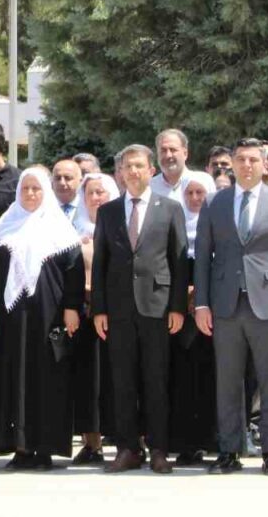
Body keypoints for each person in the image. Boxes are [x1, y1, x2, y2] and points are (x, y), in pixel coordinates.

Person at [193, 138, 268, 476]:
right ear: (232, 164)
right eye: (240, 160)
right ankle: (229, 451)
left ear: (266, 164)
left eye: (254, 159)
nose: (247, 165)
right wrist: (201, 305)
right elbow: (203, 258)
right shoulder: (215, 202)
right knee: (228, 381)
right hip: (225, 305)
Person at [0, 167, 85, 470]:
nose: (31, 194)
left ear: (46, 192)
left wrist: (72, 307)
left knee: (47, 378)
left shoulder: (60, 228)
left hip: (49, 317)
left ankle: (44, 448)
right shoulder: (5, 225)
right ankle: (19, 447)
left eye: (37, 189)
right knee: (13, 376)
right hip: (9, 319)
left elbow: (73, 270)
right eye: (26, 189)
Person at [91, 145, 188, 474]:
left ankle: (159, 448)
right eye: (127, 167)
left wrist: (177, 307)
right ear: (120, 173)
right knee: (122, 382)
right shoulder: (108, 212)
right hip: (118, 310)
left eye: (139, 166)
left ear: (151, 170)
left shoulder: (171, 209)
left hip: (157, 308)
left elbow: (178, 261)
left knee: (156, 380)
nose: (133, 172)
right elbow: (100, 263)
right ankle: (127, 448)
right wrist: (100, 309)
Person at [167, 171, 218, 466]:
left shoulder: (218, 226)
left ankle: (210, 440)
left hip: (212, 315)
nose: (195, 199)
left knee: (210, 378)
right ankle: (185, 444)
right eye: (190, 193)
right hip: (179, 317)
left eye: (201, 193)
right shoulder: (175, 227)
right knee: (181, 380)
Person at [70, 171, 119, 466]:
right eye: (91, 193)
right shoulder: (71, 229)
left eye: (101, 192)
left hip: (118, 315)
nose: (96, 198)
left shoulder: (123, 225)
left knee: (120, 380)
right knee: (88, 382)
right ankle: (92, 443)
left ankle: (130, 440)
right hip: (85, 316)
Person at [150, 129, 192, 204]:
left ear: (185, 153)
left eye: (173, 150)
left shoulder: (203, 181)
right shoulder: (149, 187)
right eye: (163, 150)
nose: (168, 155)